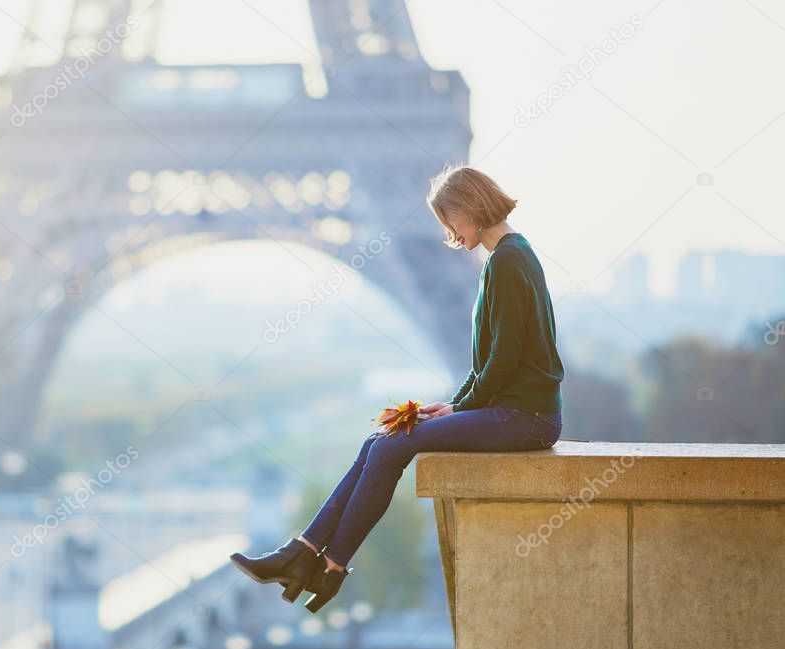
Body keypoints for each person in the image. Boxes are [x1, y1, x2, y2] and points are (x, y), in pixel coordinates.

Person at [230, 165, 565, 612]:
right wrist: (455, 406)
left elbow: (504, 357)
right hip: (515, 412)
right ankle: (304, 552)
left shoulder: (507, 260)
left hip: (526, 419)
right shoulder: (508, 255)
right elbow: (491, 362)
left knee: (389, 449)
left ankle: (330, 566)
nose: (448, 234)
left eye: (450, 221)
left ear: (470, 208)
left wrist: (464, 406)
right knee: (377, 441)